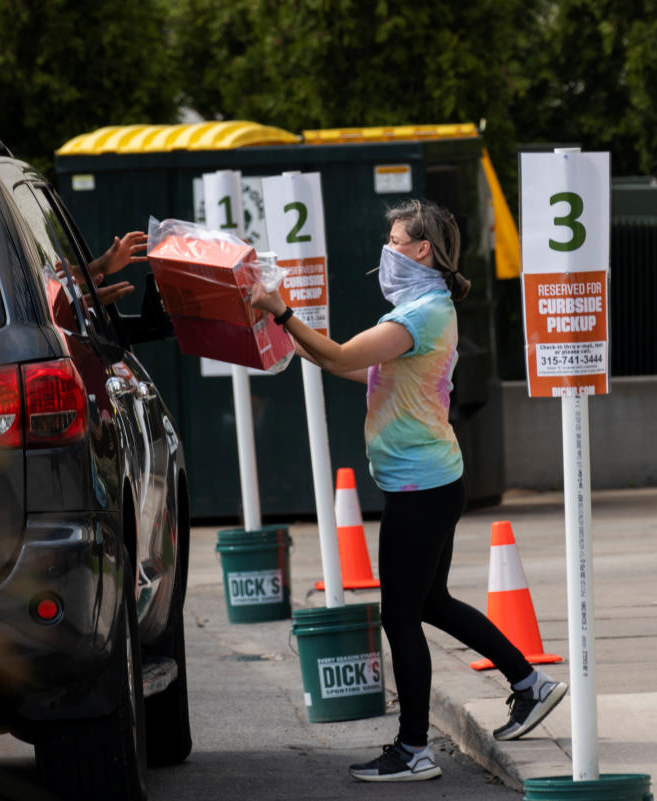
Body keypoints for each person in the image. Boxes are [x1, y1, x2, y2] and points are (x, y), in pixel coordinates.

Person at [249, 198, 568, 783]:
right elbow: (351, 366)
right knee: (430, 603)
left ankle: (414, 749)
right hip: (430, 480)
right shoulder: (423, 309)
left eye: (395, 241)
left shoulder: (417, 316)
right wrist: (286, 333)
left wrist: (283, 313)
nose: (387, 251)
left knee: (401, 614)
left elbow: (340, 352)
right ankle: (530, 681)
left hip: (421, 486)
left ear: (422, 248)